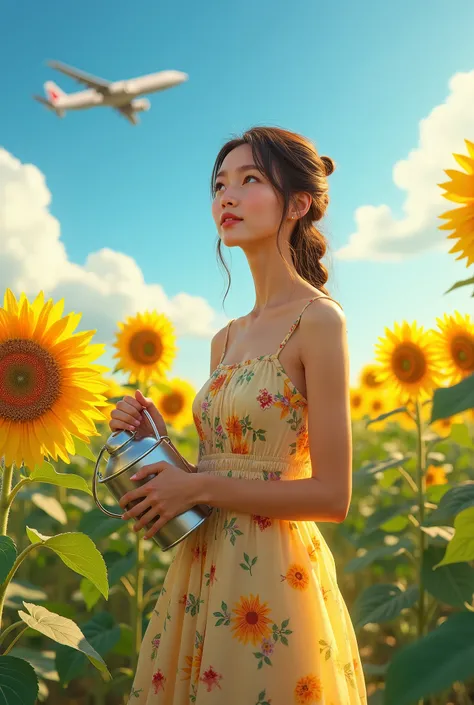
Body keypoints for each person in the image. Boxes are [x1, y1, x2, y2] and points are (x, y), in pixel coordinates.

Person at [110, 126, 367, 704]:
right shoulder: (224, 340)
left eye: (249, 179)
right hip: (201, 569)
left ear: (298, 204)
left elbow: (332, 496)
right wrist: (156, 446)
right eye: (220, 183)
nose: (226, 195)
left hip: (272, 580)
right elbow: (214, 478)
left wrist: (197, 482)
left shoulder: (319, 320)